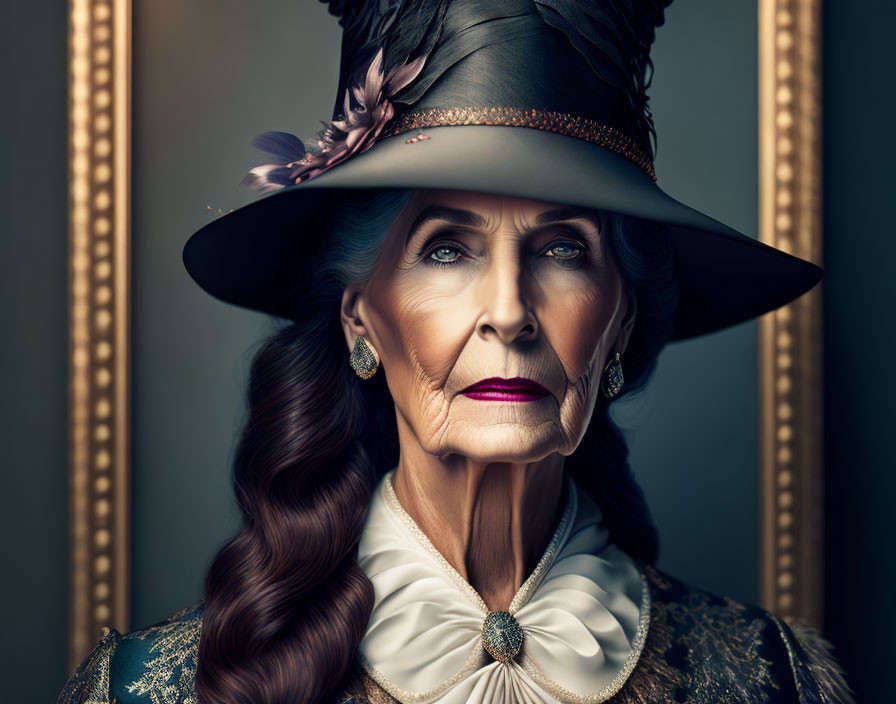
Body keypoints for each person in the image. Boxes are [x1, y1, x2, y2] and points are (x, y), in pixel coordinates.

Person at [58, 1, 854, 703]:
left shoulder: (770, 679)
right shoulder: (147, 689)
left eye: (564, 251)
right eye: (447, 250)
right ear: (361, 319)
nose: (509, 313)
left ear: (619, 322)